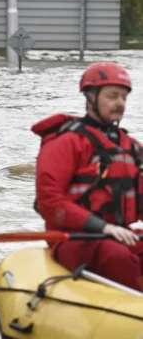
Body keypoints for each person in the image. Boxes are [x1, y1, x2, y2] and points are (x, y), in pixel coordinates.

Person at [32, 61, 143, 291]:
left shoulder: (132, 147)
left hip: (120, 233)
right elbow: (49, 202)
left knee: (122, 251)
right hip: (74, 238)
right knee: (117, 257)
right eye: (113, 96)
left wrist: (113, 230)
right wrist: (103, 228)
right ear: (91, 96)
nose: (120, 103)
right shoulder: (66, 142)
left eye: (124, 97)